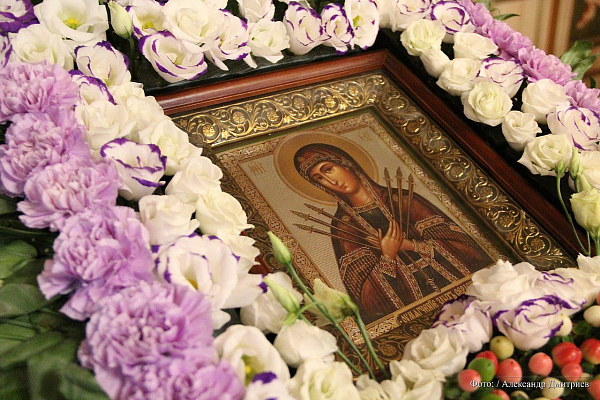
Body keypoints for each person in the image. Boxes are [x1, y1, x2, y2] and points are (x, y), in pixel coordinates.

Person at [293, 143, 494, 323]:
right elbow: (366, 300)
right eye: (320, 179)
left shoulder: (403, 199)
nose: (331, 181)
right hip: (413, 315)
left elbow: (469, 249)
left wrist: (411, 246)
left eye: (328, 169)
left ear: (346, 164)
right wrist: (387, 257)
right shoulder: (344, 227)